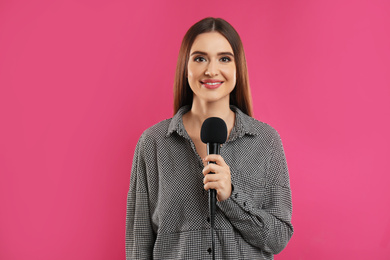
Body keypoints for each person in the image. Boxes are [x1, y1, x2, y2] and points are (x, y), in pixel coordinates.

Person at [126, 17, 293, 259]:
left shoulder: (265, 142)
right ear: (186, 66)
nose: (211, 70)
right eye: (200, 58)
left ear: (238, 68)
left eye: (224, 58)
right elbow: (138, 243)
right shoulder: (153, 143)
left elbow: (278, 238)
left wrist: (231, 196)